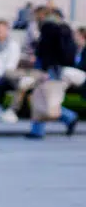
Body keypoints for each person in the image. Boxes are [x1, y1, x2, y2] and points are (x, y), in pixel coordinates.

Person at [27, 8, 80, 138]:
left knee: (43, 98)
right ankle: (39, 129)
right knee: (46, 98)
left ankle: (67, 118)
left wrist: (44, 68)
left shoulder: (48, 27)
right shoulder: (64, 28)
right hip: (59, 69)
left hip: (50, 69)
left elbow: (46, 50)